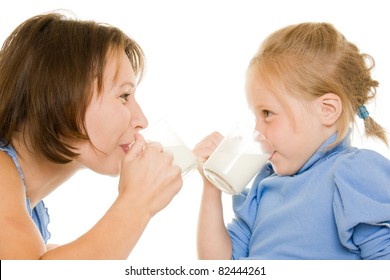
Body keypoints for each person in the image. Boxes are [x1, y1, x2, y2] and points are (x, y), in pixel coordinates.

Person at [194, 22, 390, 259]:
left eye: (267, 113)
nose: (257, 129)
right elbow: (218, 268)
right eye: (254, 115)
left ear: (326, 110)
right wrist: (211, 187)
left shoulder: (353, 173)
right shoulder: (264, 185)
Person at [0, 13, 183, 259]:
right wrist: (137, 204)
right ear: (62, 98)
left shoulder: (26, 215)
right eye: (124, 96)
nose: (141, 121)